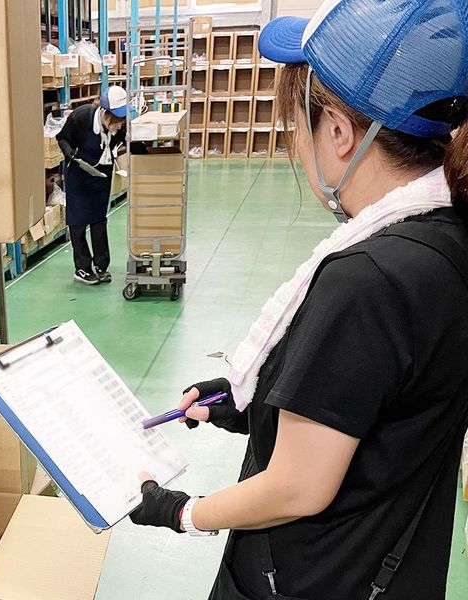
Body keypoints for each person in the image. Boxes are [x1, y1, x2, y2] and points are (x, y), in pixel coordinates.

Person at [127, 1, 468, 599]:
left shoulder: (368, 281)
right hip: (387, 565)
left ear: (338, 131)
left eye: (297, 126)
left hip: (310, 578)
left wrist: (181, 511)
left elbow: (297, 488)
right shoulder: (445, 239)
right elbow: (374, 399)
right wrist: (249, 401)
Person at [56, 85, 127, 285]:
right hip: (78, 173)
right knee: (78, 222)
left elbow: (125, 143)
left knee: (98, 220)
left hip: (102, 174)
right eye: (115, 121)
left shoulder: (121, 126)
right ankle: (82, 268)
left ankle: (101, 265)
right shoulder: (82, 117)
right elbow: (62, 138)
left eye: (122, 122)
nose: (119, 126)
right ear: (104, 112)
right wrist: (70, 154)